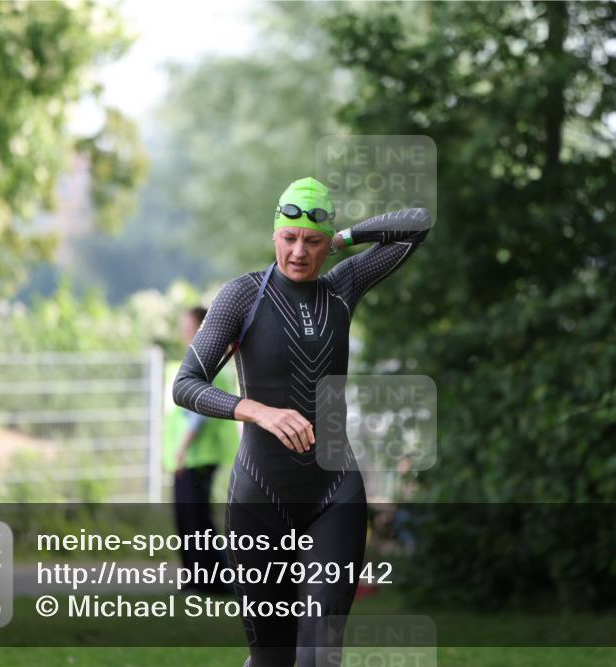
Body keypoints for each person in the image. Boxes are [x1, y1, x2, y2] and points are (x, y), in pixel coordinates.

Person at [172, 176, 431, 667]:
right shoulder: (241, 297)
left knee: (319, 657)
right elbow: (186, 382)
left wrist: (344, 240)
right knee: (273, 659)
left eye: (312, 242)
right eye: (288, 238)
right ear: (274, 236)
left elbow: (417, 225)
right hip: (259, 499)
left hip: (334, 494)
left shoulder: (342, 287)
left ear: (325, 244)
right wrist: (256, 411)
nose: (298, 252)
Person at [164, 306, 238, 593]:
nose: (184, 332)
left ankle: (215, 581)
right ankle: (197, 578)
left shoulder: (207, 365)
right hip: (186, 457)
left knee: (197, 522)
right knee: (188, 520)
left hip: (196, 456)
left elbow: (198, 414)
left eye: (189, 326)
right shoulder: (194, 362)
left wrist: (181, 450)